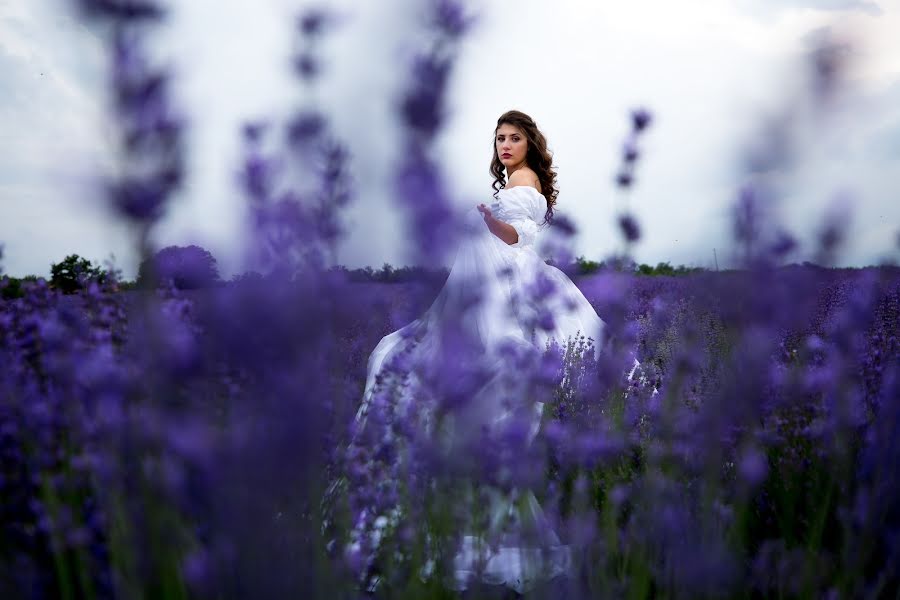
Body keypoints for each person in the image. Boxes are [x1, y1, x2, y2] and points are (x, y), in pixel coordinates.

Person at [350, 110, 606, 593]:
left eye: (514, 138)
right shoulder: (512, 179)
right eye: (500, 139)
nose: (506, 146)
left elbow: (519, 236)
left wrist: (486, 219)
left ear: (530, 144)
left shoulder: (525, 180)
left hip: (513, 280)